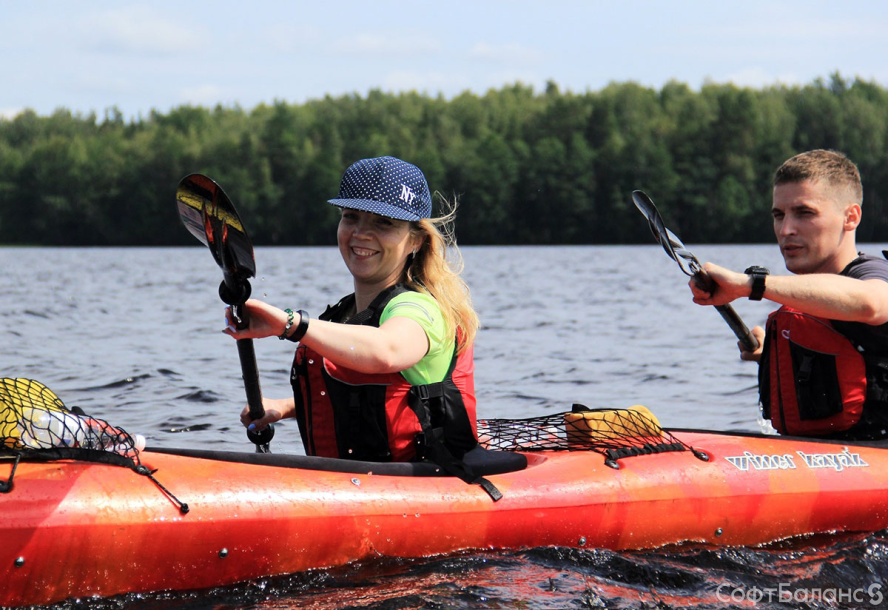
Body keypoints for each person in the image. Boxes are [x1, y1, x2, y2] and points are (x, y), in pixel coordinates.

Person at [224, 156, 481, 463]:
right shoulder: (346, 314)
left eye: (383, 222)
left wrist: (291, 324)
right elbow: (360, 396)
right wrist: (285, 407)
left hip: (430, 487)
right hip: (356, 485)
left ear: (416, 240)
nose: (361, 233)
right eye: (351, 217)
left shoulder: (420, 308)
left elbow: (386, 351)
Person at [689, 149, 888, 440]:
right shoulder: (806, 295)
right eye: (779, 215)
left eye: (804, 213)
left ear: (850, 217)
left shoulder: (874, 274)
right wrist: (774, 354)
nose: (786, 229)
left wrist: (751, 285)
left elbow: (871, 303)